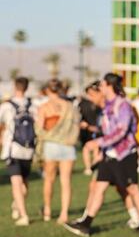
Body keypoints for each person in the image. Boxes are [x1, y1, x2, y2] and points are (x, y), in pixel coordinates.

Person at [63, 73, 139, 237]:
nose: (100, 87)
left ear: (110, 85)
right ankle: (86, 223)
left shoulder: (123, 105)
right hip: (109, 154)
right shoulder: (107, 106)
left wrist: (98, 143)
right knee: (98, 187)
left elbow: (121, 130)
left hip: (125, 154)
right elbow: (108, 130)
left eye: (103, 84)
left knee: (133, 189)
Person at [36, 79, 80, 224]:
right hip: (68, 146)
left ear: (48, 90)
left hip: (51, 146)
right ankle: (64, 214)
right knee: (65, 181)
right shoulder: (69, 106)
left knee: (49, 179)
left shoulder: (44, 107)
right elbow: (76, 126)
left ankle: (47, 210)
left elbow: (39, 129)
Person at [0, 76, 36, 226]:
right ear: (27, 87)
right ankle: (17, 205)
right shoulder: (33, 105)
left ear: (15, 87)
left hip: (12, 149)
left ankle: (23, 215)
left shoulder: (6, 106)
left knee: (16, 182)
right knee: (24, 182)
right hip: (28, 149)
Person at [78, 83, 102, 175]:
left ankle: (91, 167)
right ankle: (91, 167)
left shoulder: (98, 104)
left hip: (95, 130)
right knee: (89, 148)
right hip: (88, 130)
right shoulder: (84, 104)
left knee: (93, 149)